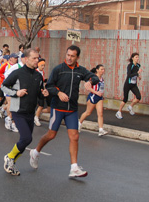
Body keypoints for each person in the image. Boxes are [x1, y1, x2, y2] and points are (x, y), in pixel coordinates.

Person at [29, 45, 99, 178]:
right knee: (51, 135)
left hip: (72, 109)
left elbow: (93, 77)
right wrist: (59, 93)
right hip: (58, 108)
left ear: (77, 57)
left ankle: (74, 167)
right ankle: (35, 152)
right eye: (68, 55)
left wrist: (90, 82)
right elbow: (49, 86)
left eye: (72, 56)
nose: (69, 58)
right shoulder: (58, 69)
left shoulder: (80, 70)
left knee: (75, 136)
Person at [2, 49, 49, 176]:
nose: (37, 61)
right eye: (34, 58)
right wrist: (16, 93)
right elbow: (4, 86)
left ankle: (11, 162)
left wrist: (44, 94)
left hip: (30, 112)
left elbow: (39, 92)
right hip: (18, 111)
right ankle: (9, 157)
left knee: (27, 140)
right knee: (26, 138)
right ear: (26, 59)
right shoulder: (18, 73)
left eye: (37, 58)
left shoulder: (38, 75)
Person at [79, 64, 107, 136]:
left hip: (99, 98)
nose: (103, 71)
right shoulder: (93, 78)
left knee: (100, 113)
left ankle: (101, 130)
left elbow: (101, 88)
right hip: (92, 97)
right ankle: (79, 123)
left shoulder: (102, 79)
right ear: (97, 70)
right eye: (101, 69)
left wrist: (101, 95)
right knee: (88, 112)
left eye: (103, 69)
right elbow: (88, 87)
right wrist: (96, 92)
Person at [116, 53, 142, 119]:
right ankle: (119, 112)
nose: (137, 58)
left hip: (134, 84)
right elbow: (129, 75)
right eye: (136, 57)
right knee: (125, 99)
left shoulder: (138, 65)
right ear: (132, 58)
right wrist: (137, 73)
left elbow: (135, 73)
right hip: (128, 84)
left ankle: (130, 107)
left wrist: (138, 76)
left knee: (138, 97)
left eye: (138, 57)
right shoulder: (130, 65)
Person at [34, 57, 50, 127]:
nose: (43, 67)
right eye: (42, 65)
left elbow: (43, 81)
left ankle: (36, 117)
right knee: (34, 105)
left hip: (41, 91)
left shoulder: (42, 72)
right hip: (34, 91)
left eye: (44, 65)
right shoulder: (35, 72)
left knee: (41, 105)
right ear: (38, 65)